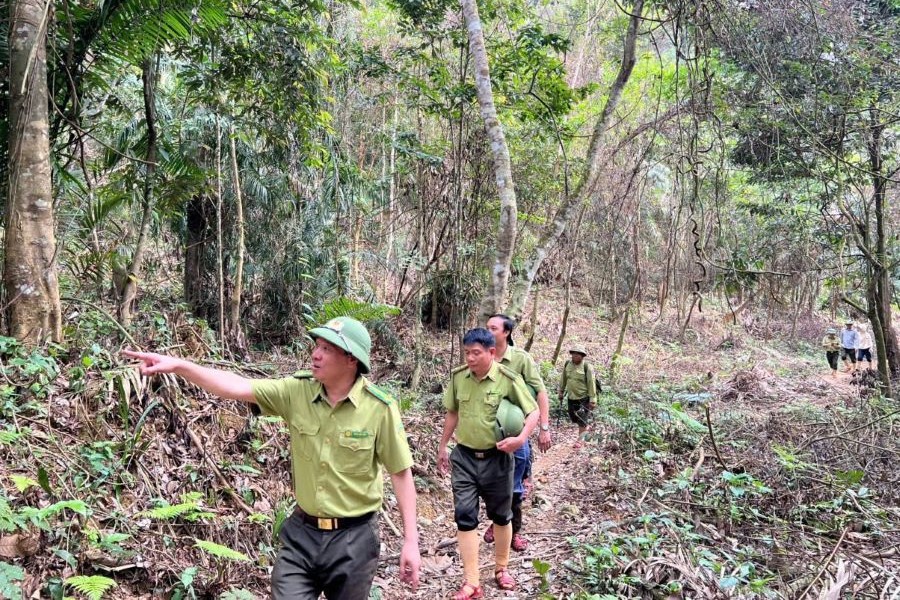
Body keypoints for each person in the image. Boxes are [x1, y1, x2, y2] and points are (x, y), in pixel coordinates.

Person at [125, 317, 420, 600]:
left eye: (327, 349)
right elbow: (236, 386)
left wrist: (411, 541)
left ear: (351, 359)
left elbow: (400, 473)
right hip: (302, 535)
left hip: (354, 540)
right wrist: (180, 366)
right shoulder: (297, 391)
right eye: (316, 345)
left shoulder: (379, 408)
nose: (315, 354)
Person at [437, 328, 539, 599]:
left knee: (501, 515)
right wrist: (443, 446)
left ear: (491, 352)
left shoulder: (507, 379)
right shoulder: (459, 378)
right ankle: (472, 582)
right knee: (465, 517)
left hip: (497, 460)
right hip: (464, 458)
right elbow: (452, 412)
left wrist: (520, 440)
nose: (470, 358)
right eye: (467, 352)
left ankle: (501, 568)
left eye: (476, 353)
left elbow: (533, 411)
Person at [483, 314, 551, 553]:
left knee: (514, 485)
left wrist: (543, 427)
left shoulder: (521, 359)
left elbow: (540, 392)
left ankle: (513, 531)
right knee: (492, 483)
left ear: (506, 333)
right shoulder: (482, 356)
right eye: (486, 327)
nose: (488, 331)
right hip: (488, 431)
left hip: (516, 430)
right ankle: (497, 521)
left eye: (493, 328)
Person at [559, 348, 598, 447]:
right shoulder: (567, 364)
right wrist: (561, 391)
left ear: (582, 356)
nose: (575, 356)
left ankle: (580, 440)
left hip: (583, 397)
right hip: (571, 396)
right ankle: (584, 427)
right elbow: (563, 378)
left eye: (578, 354)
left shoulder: (587, 367)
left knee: (582, 418)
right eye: (574, 354)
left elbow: (591, 383)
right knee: (573, 416)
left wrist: (593, 399)